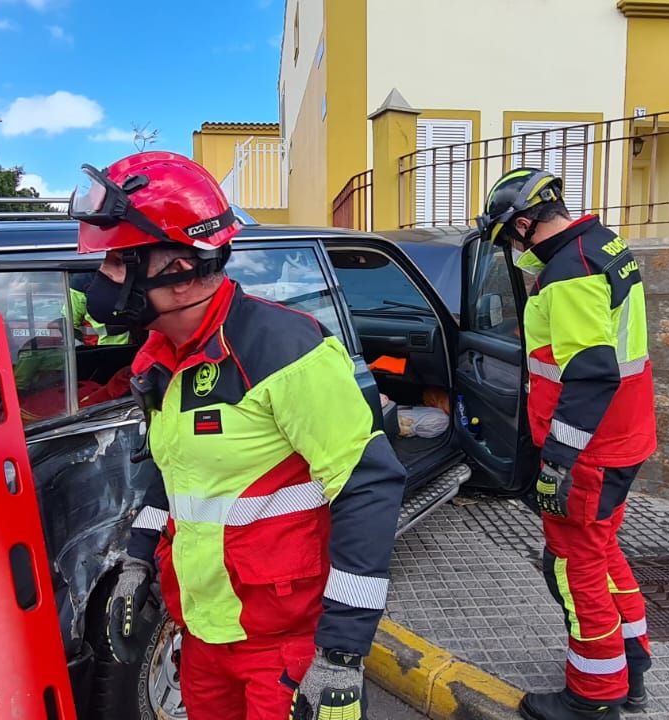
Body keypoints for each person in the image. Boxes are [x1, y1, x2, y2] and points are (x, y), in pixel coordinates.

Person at [75, 151, 405, 720]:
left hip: (286, 648)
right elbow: (175, 475)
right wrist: (136, 563)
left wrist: (342, 655)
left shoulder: (285, 351)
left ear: (177, 272)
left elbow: (369, 489)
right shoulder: (159, 360)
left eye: (113, 263)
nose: (97, 281)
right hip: (204, 635)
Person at [475, 169, 657, 720]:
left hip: (590, 451)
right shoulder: (602, 246)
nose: (512, 250)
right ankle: (631, 666)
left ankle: (595, 696)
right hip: (623, 437)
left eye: (508, 238)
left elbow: (592, 371)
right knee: (601, 552)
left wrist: (557, 457)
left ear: (525, 225)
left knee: (573, 567)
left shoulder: (569, 272)